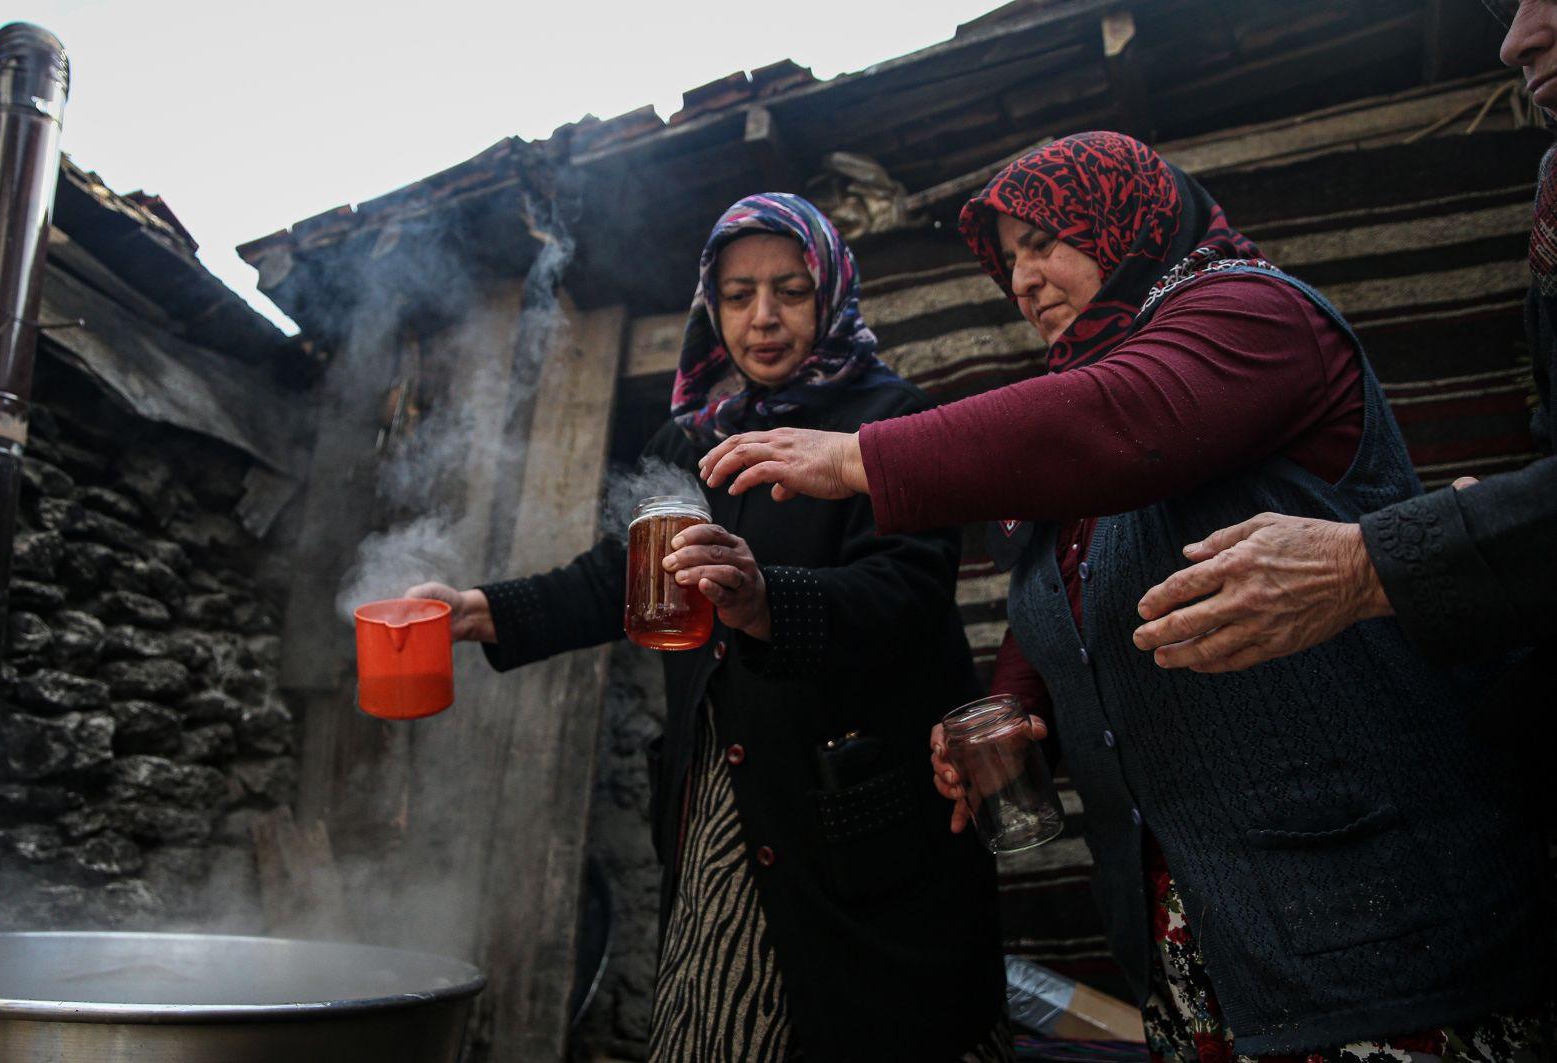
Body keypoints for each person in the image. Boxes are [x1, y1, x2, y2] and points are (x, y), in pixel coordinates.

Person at [700, 133, 1557, 1059]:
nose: (1022, 277)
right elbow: (1073, 584)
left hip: (1373, 903)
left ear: (1126, 220)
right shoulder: (1076, 402)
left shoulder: (1250, 313)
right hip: (1193, 924)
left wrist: (855, 452)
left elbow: (1124, 421)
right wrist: (1019, 709)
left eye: (1044, 240)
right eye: (1009, 256)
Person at [407, 193, 1008, 1062]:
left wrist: (767, 601)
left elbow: (907, 593)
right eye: (738, 294)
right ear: (711, 305)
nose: (762, 317)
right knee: (719, 1024)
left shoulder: (888, 419)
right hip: (725, 795)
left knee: (893, 1016)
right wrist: (487, 609)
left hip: (858, 795)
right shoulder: (692, 435)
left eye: (791, 290)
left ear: (832, 291)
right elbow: (621, 573)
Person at [1129, 0, 1556, 703]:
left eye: (1048, 244)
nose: (1514, 42)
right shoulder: (1555, 198)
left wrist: (1371, 563)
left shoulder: (1251, 307)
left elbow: (1103, 419)